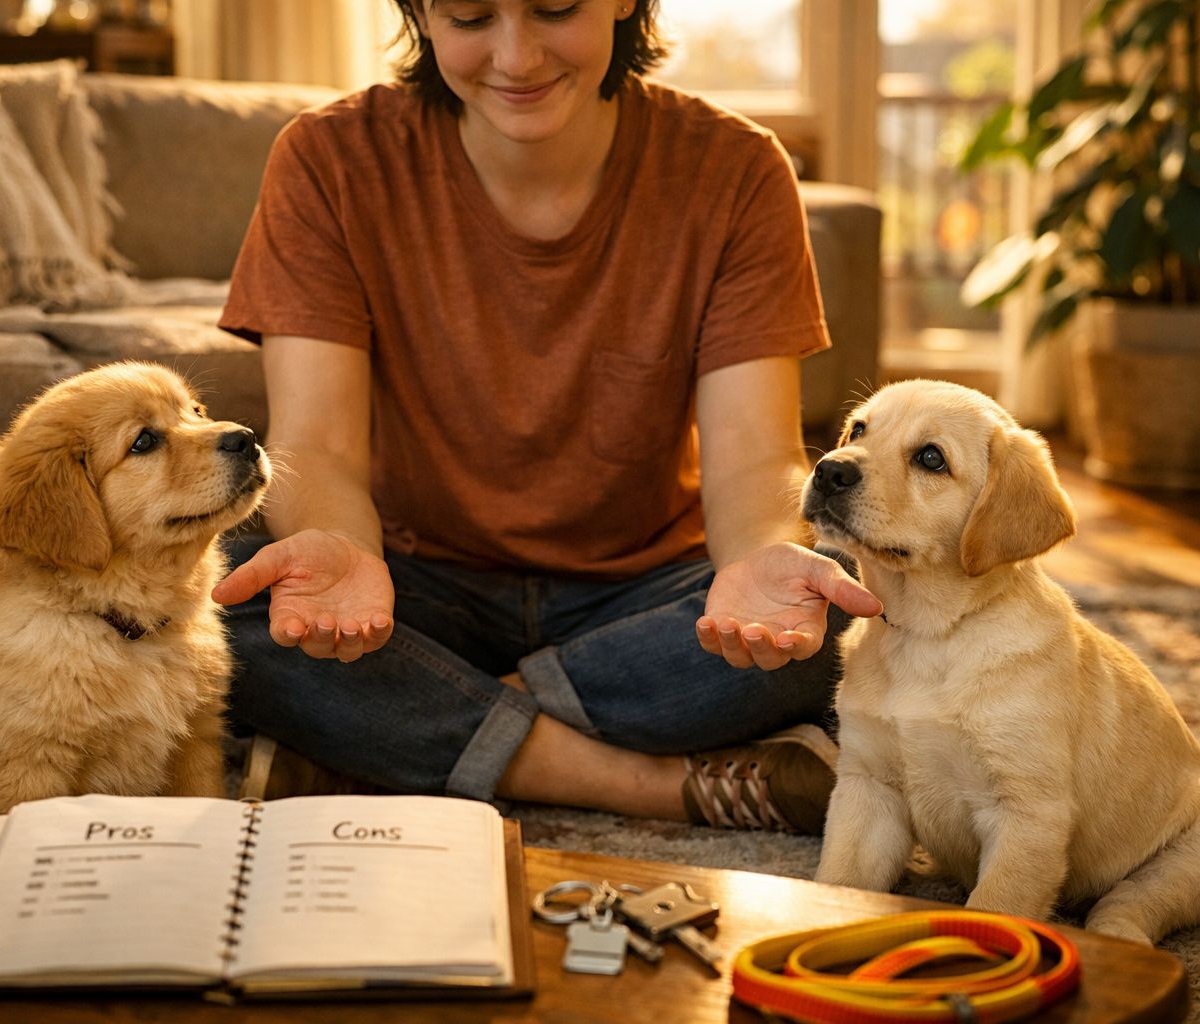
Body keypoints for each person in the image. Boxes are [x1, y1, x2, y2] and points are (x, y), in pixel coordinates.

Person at [213, 0, 882, 833]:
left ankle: (401, 736)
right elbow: (318, 445)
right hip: (407, 586)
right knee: (208, 595)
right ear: (420, 11)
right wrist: (342, 556)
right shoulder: (328, 158)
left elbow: (754, 458)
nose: (516, 57)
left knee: (845, 606)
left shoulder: (737, 168)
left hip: (645, 594)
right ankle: (646, 785)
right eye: (470, 17)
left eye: (555, 8)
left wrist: (760, 565)